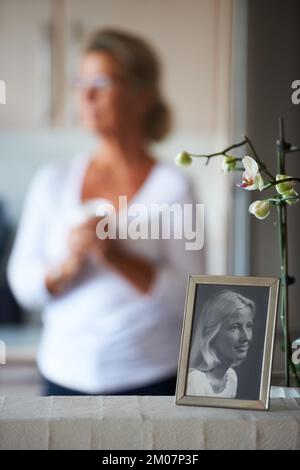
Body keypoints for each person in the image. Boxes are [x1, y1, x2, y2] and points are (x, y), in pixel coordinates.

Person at [7, 29, 204, 396]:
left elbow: (191, 299)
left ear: (142, 97)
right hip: (62, 377)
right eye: (80, 81)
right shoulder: (53, 180)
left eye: (101, 81)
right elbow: (21, 283)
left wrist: (114, 255)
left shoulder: (175, 187)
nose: (86, 94)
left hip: (151, 380)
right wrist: (67, 266)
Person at [186, 289, 255, 398]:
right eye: (235, 327)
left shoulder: (231, 377)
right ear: (212, 333)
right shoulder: (195, 382)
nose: (246, 337)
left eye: (249, 326)